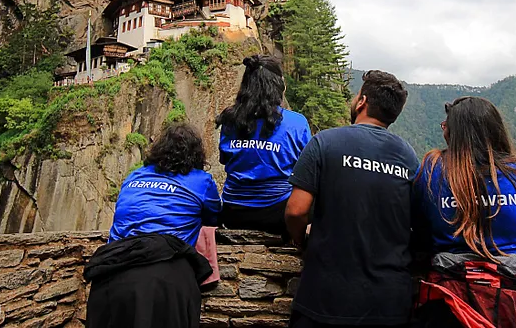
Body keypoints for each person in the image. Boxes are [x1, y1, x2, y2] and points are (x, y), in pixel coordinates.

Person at [411, 96, 516, 327]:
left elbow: (420, 218)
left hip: (452, 294)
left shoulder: (433, 170)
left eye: (446, 126)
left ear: (454, 133)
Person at [285, 70, 419, 328]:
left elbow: (295, 210)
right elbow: (418, 220)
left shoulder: (325, 142)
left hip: (325, 298)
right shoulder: (409, 157)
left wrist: (300, 240)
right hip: (389, 302)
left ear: (362, 102)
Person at [84, 123, 222, 328]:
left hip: (111, 271)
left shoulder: (135, 176)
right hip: (165, 276)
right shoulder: (201, 180)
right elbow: (214, 217)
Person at [216, 54, 311, 235]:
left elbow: (225, 160)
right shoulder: (296, 123)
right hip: (278, 212)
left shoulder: (230, 120)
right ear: (279, 85)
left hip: (233, 211)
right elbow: (306, 170)